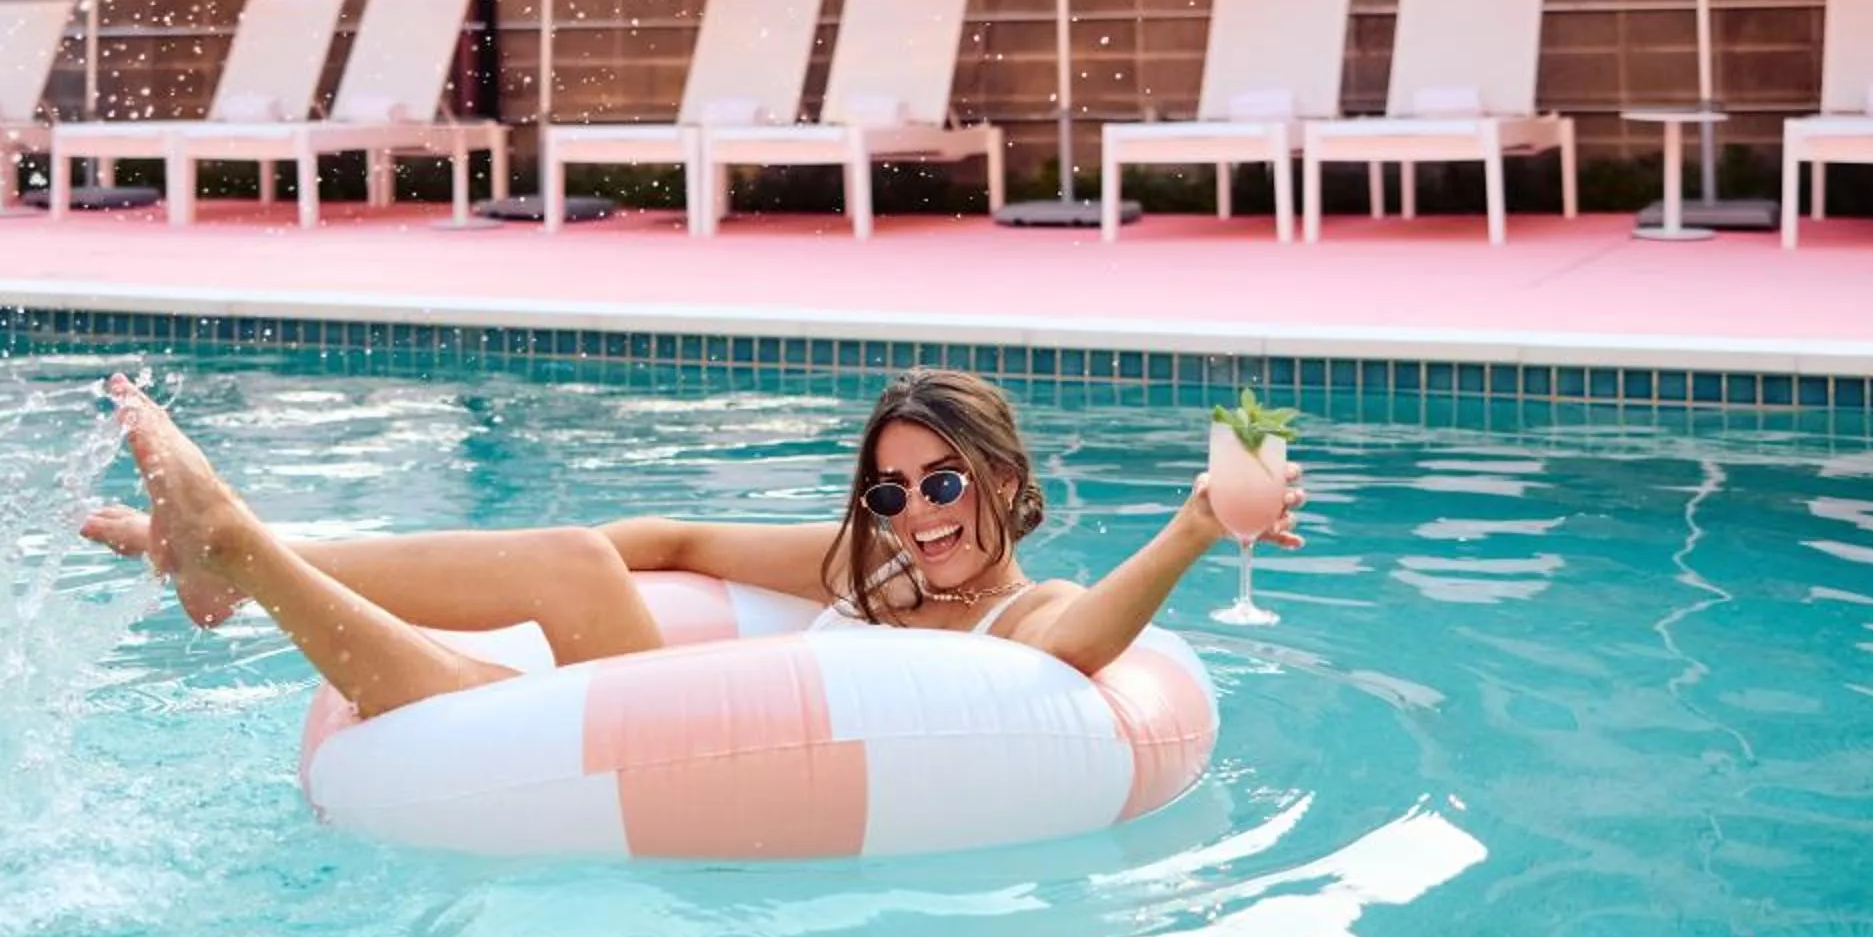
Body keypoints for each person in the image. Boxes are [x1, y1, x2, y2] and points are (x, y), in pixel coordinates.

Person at [90, 366, 1304, 723]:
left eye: (942, 483)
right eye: (886, 493)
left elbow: (1092, 641)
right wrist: (517, 569)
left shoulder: (1026, 614)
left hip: (706, 749)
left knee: (555, 584)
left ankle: (240, 553)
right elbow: (671, 535)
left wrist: (1198, 523)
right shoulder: (871, 570)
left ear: (1004, 484)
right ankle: (225, 554)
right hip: (661, 719)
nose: (918, 514)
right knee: (568, 563)